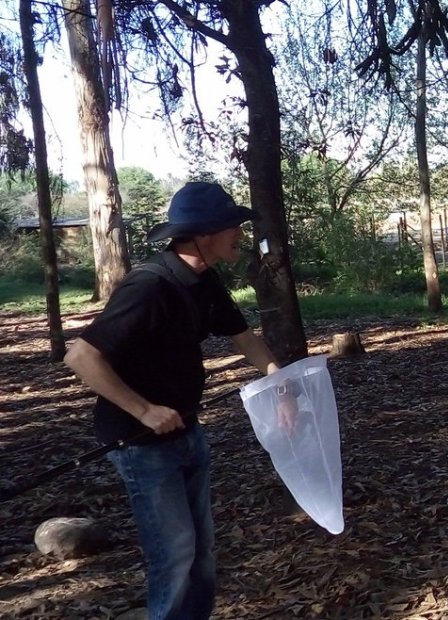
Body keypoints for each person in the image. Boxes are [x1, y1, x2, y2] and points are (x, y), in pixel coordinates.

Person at [64, 182, 298, 620]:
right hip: (139, 441)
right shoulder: (149, 286)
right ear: (204, 234)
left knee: (201, 550)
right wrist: (145, 411)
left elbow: (246, 339)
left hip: (188, 431)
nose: (239, 235)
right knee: (174, 554)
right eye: (232, 227)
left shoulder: (204, 280)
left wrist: (279, 387)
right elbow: (80, 355)